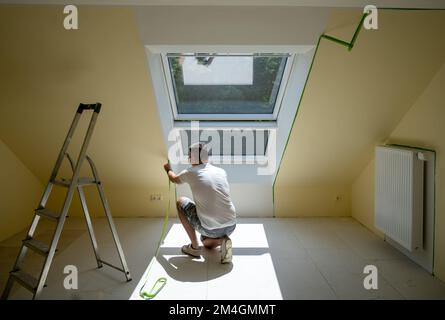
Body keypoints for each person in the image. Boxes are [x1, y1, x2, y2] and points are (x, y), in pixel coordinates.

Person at [163, 143, 236, 264]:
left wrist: (168, 168)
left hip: (210, 229)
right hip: (231, 225)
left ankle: (194, 247)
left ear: (192, 158)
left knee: (180, 202)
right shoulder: (221, 171)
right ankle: (222, 241)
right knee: (206, 242)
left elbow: (173, 179)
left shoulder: (190, 172)